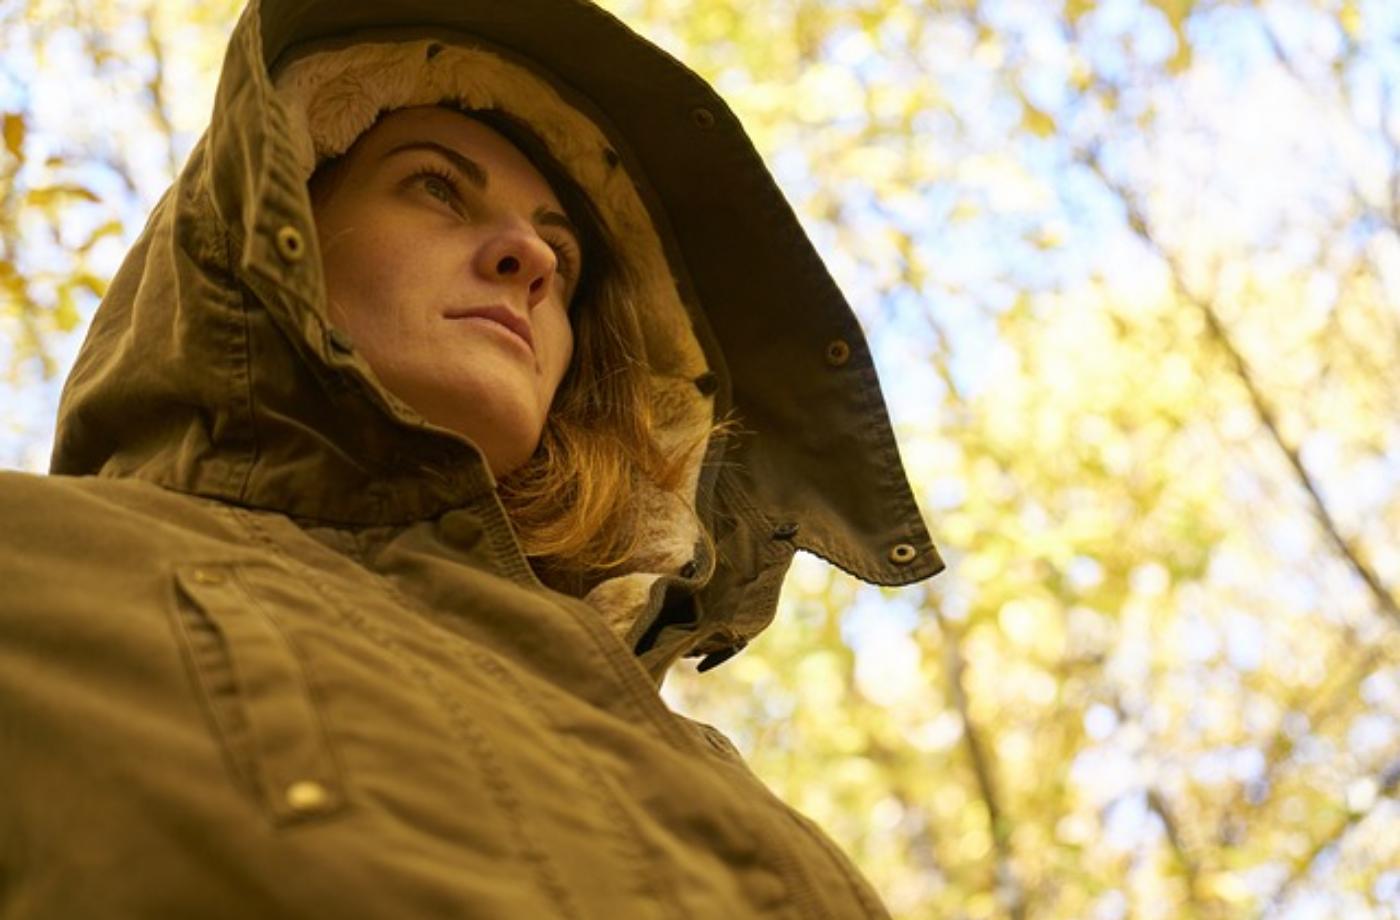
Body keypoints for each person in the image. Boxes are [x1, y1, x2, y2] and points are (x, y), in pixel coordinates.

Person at [0, 0, 943, 915]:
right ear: (281, 223)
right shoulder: (34, 569)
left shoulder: (722, 789)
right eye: (437, 187)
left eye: (565, 261)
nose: (532, 256)